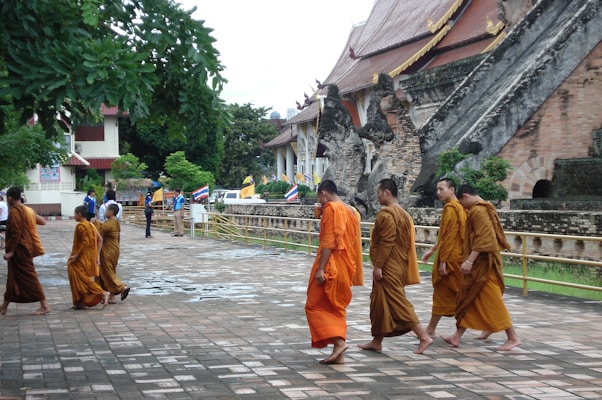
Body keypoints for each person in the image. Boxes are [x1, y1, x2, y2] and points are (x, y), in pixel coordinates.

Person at [441, 184, 521, 351]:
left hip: (483, 266)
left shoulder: (478, 211)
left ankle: (512, 337)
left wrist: (469, 261)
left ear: (464, 196)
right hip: (482, 263)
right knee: (470, 298)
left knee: (492, 300)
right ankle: (457, 336)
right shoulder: (485, 207)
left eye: (462, 203)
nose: (463, 207)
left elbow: (485, 239)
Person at [358, 179, 432, 354]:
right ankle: (377, 340)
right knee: (380, 302)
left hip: (388, 266)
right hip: (397, 264)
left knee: (398, 303)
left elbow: (387, 242)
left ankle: (424, 336)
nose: (377, 197)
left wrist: (379, 266)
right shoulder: (404, 215)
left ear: (387, 192)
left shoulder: (387, 215)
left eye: (378, 193)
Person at [305, 180, 363, 364]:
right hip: (345, 266)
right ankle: (340, 355)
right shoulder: (351, 211)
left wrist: (321, 268)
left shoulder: (331, 209)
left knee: (313, 305)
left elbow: (329, 241)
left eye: (320, 199)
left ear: (323, 194)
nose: (320, 203)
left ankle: (338, 343)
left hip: (331, 266)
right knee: (335, 306)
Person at [421, 178, 466, 337]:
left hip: (451, 259)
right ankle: (430, 329)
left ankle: (489, 324)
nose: (438, 193)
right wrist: (433, 250)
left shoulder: (452, 208)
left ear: (452, 190)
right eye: (437, 189)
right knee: (443, 295)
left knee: (462, 296)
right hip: (453, 256)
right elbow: (445, 235)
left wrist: (443, 262)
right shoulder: (458, 207)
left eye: (441, 189)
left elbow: (450, 237)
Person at [0, 187, 51, 316]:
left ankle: (44, 305)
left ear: (10, 198)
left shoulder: (15, 211)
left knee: (30, 276)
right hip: (26, 246)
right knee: (12, 277)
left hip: (20, 249)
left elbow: (16, 232)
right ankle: (4, 305)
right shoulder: (27, 210)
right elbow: (42, 221)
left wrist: (11, 251)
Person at [67, 205, 109, 309]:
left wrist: (77, 255)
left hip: (82, 256)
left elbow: (85, 242)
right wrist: (97, 255)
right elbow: (100, 240)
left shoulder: (81, 226)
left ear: (79, 214)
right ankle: (80, 303)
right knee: (82, 278)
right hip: (90, 256)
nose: (74, 216)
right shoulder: (91, 225)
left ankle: (102, 293)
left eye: (75, 214)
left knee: (80, 276)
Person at [94, 204, 130, 304]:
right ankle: (111, 297)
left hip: (108, 251)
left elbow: (99, 231)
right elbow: (102, 227)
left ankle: (122, 287)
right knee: (106, 272)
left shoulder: (110, 224)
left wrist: (94, 223)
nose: (105, 212)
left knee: (108, 272)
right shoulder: (115, 222)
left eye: (106, 210)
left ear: (111, 212)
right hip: (114, 249)